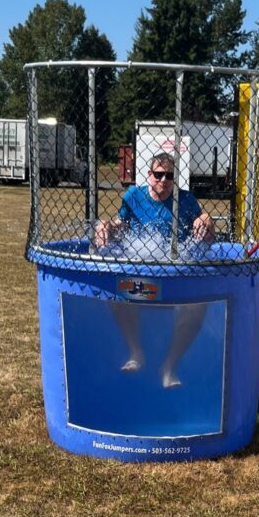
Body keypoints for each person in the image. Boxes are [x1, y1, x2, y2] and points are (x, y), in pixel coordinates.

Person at [94, 153, 216, 388]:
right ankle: (136, 351)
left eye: (169, 176)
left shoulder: (186, 200)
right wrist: (106, 227)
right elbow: (121, 225)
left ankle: (169, 365)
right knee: (119, 296)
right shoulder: (134, 197)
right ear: (149, 175)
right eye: (158, 174)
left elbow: (206, 236)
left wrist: (206, 220)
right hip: (142, 273)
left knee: (197, 307)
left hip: (175, 277)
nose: (163, 180)